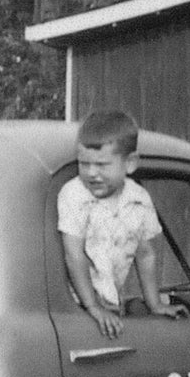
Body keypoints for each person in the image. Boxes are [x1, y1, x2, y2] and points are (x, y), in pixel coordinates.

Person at [59, 108, 168, 339]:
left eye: (102, 165)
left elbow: (146, 254)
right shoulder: (75, 195)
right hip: (76, 307)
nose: (91, 173)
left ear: (130, 163)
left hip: (110, 305)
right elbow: (73, 254)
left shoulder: (139, 200)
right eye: (83, 163)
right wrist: (93, 308)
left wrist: (155, 304)